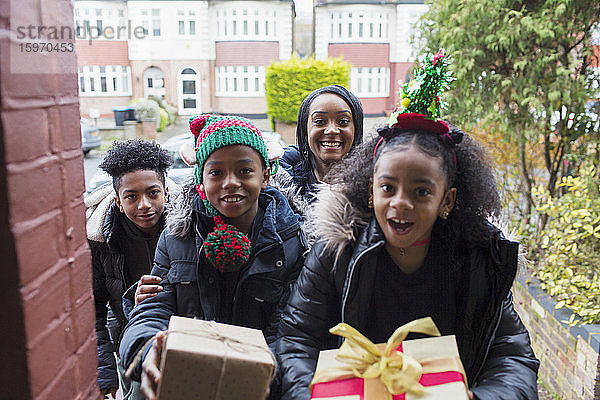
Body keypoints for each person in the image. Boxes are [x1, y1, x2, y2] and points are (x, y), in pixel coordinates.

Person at [277, 52, 540, 400]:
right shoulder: (335, 251)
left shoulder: (477, 260)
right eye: (388, 187)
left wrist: (479, 397)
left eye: (421, 191)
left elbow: (512, 354)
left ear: (446, 200)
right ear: (370, 191)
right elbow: (297, 340)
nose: (401, 202)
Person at [118, 114, 306, 400]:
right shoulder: (176, 238)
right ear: (201, 181)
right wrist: (147, 350)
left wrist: (253, 375)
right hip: (189, 385)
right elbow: (152, 311)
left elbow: (294, 335)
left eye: (245, 171)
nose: (230, 183)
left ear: (266, 175)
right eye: (216, 173)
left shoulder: (294, 244)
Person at [85, 139, 172, 399]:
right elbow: (94, 309)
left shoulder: (186, 229)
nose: (143, 204)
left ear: (166, 192)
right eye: (131, 196)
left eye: (152, 193)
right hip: (129, 341)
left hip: (180, 338)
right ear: (119, 202)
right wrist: (104, 369)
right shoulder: (100, 240)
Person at [274, 84, 364, 215]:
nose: (332, 130)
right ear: (305, 129)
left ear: (356, 129)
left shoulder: (371, 188)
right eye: (320, 121)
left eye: (343, 122)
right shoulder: (280, 180)